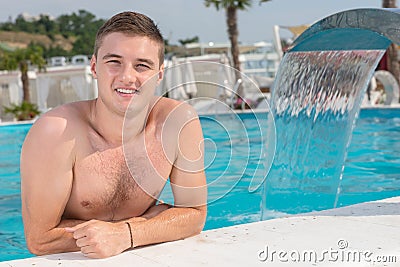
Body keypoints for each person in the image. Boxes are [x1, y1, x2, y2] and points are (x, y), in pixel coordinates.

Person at [20, 11, 207, 259]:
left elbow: (194, 214)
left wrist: (126, 234)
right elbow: (40, 240)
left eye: (142, 65)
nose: (127, 77)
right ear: (95, 66)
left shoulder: (178, 122)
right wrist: (150, 223)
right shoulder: (56, 132)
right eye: (114, 62)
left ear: (159, 74)